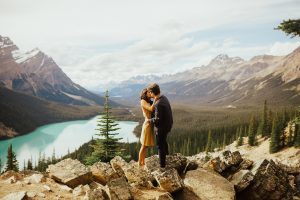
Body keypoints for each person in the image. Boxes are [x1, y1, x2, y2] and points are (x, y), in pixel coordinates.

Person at [147, 83, 173, 169]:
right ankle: (168, 159)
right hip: (168, 125)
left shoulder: (158, 103)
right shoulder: (164, 98)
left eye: (149, 93)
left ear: (152, 92)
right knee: (164, 142)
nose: (149, 94)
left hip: (162, 128)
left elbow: (158, 119)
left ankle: (162, 166)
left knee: (160, 145)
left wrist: (149, 120)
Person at [138, 88, 155, 167]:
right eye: (149, 92)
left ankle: (143, 162)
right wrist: (156, 98)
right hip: (147, 125)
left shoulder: (148, 101)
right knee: (144, 145)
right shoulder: (143, 101)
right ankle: (139, 163)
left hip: (150, 124)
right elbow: (151, 109)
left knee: (146, 146)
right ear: (145, 93)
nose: (150, 93)